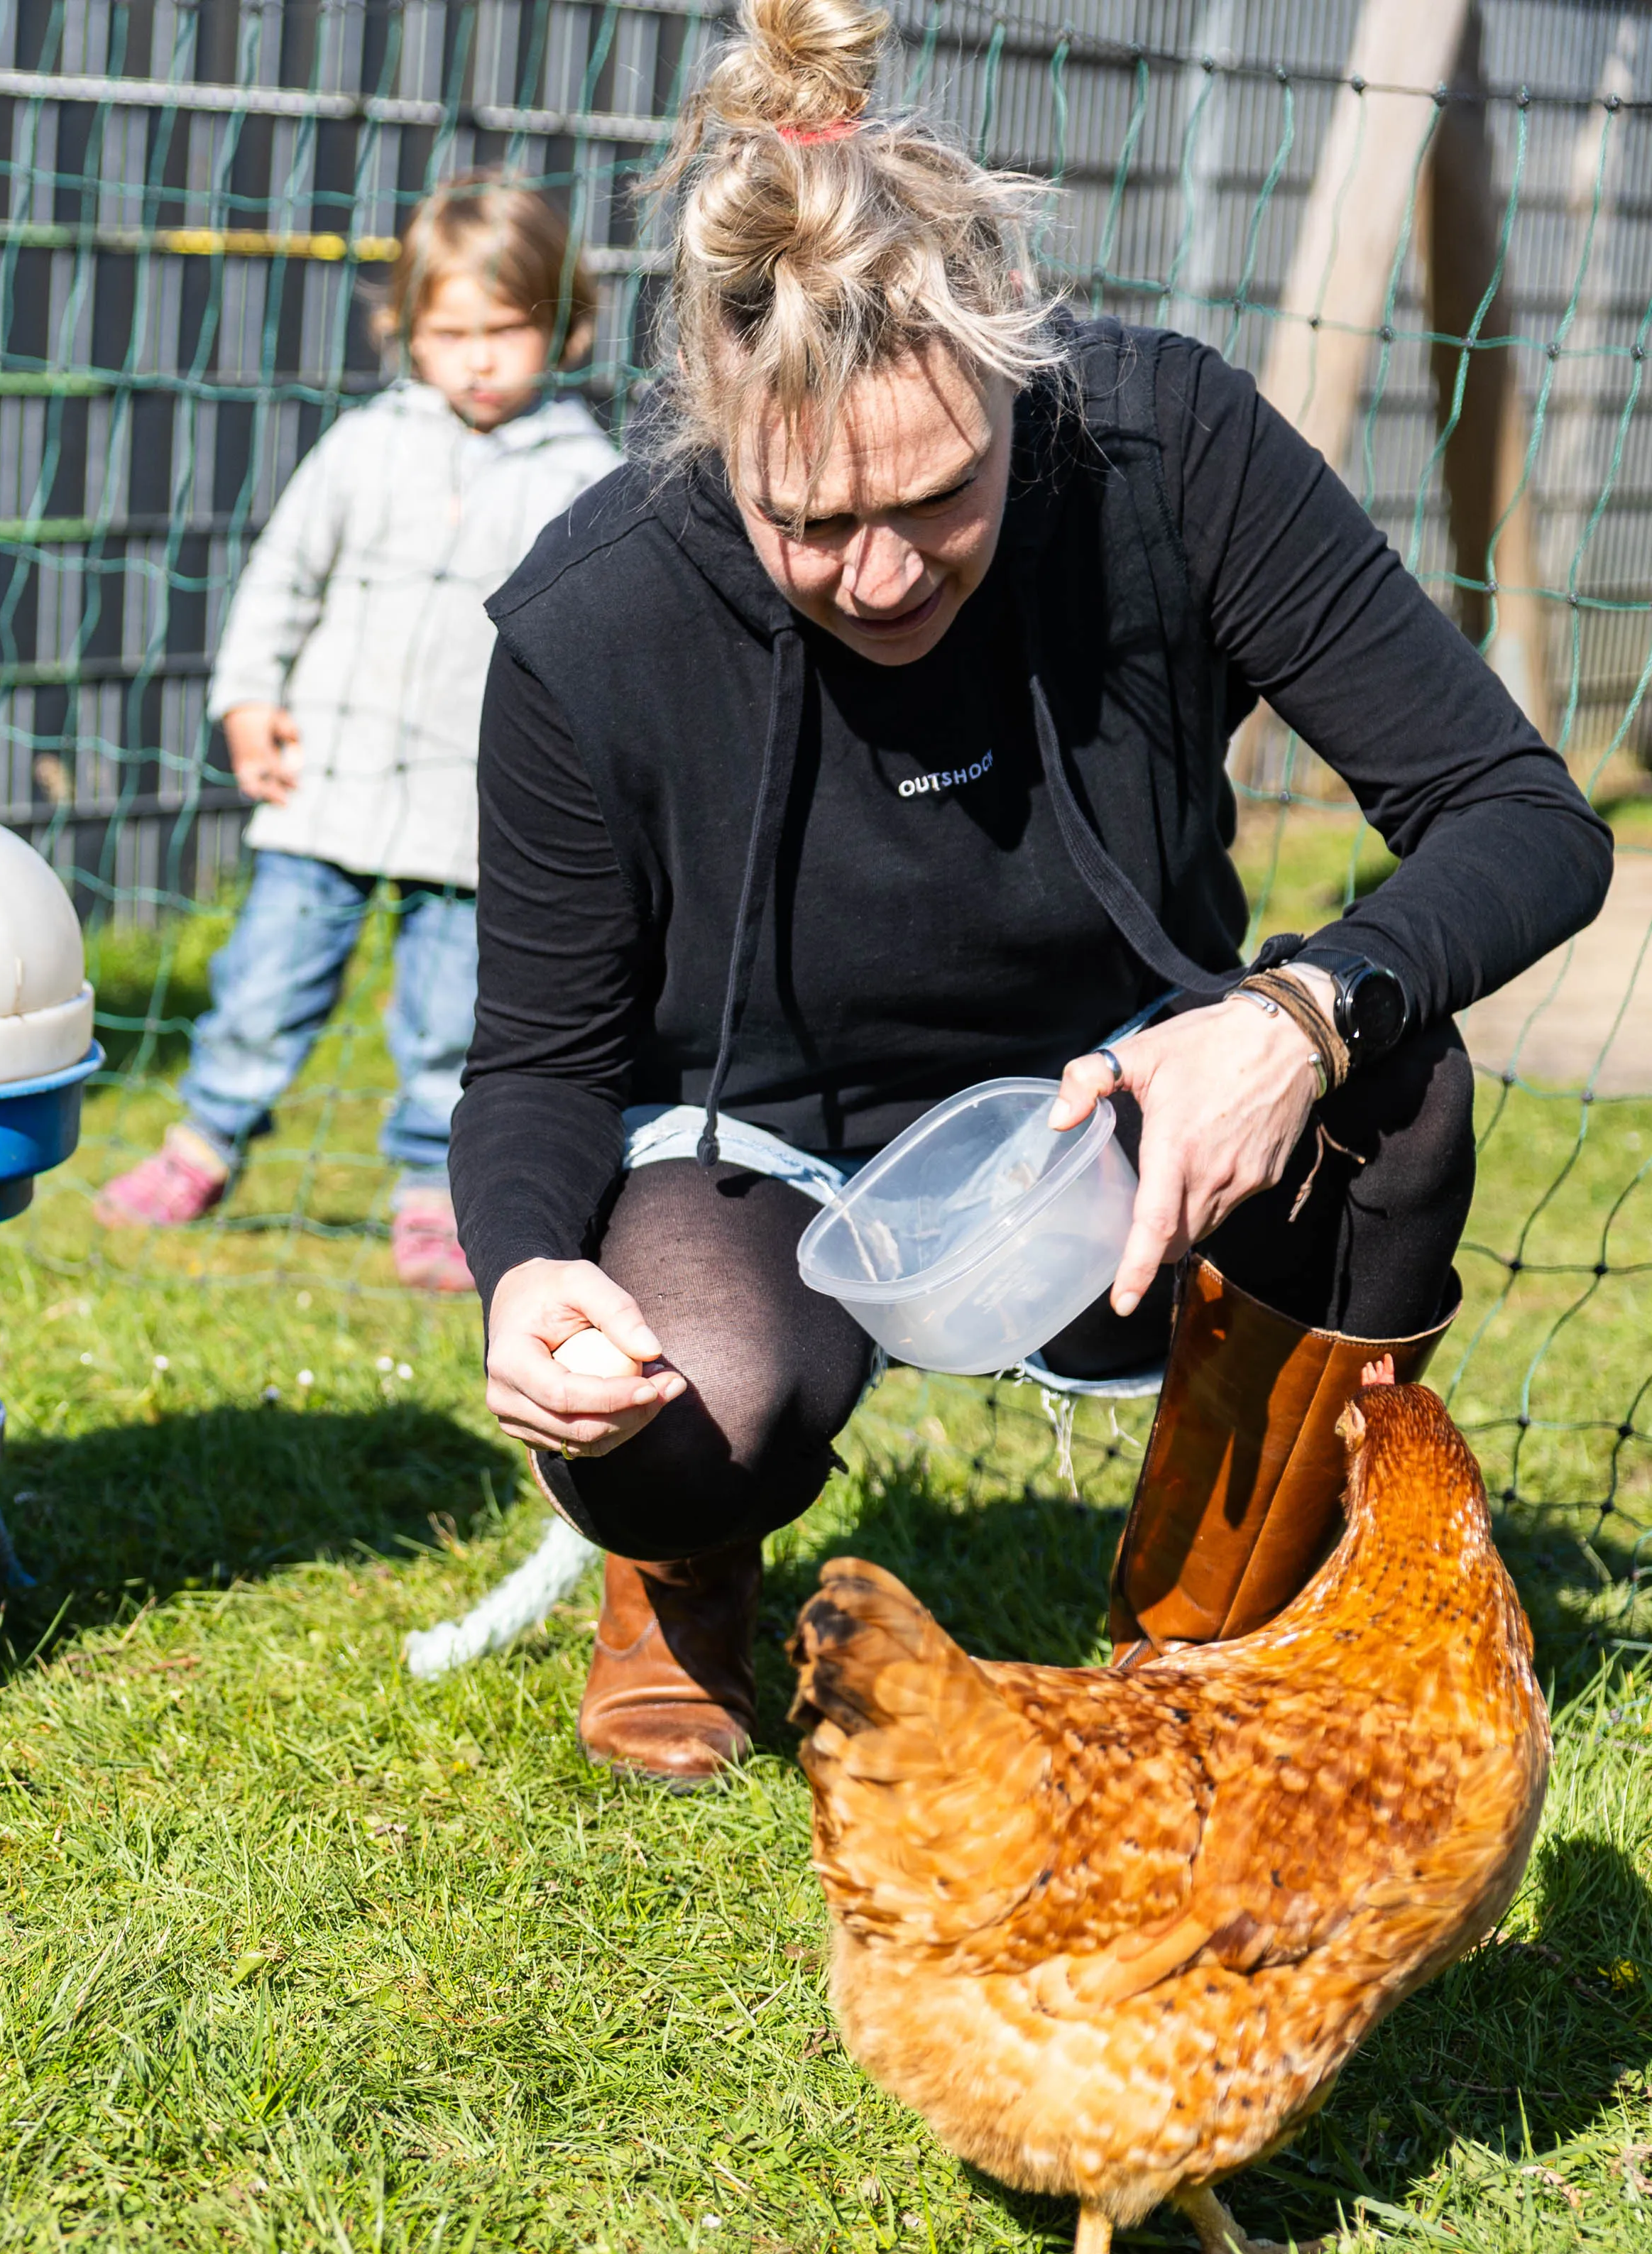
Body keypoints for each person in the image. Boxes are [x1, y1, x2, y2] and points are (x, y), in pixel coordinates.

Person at [454, 0, 1608, 1783]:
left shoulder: (1167, 453)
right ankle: (677, 1578)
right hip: (767, 1146)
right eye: (811, 525)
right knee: (677, 1406)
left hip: (1124, 1116)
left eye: (940, 493)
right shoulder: (592, 620)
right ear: (716, 440)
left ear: (1014, 380)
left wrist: (1290, 1019)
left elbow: (1523, 816)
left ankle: (1209, 1635)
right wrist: (525, 1271)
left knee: (1398, 1079)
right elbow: (535, 1060)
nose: (886, 568)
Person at [97, 175, 620, 1292]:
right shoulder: (362, 448)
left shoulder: (587, 478)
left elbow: (601, 641)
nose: (479, 359)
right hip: (326, 782)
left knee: (452, 1017)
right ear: (408, 333)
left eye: (507, 330)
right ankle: (205, 1140)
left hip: (471, 812)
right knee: (265, 978)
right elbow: (283, 579)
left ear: (566, 323)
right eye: (452, 334)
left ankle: (434, 1186)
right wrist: (248, 702)